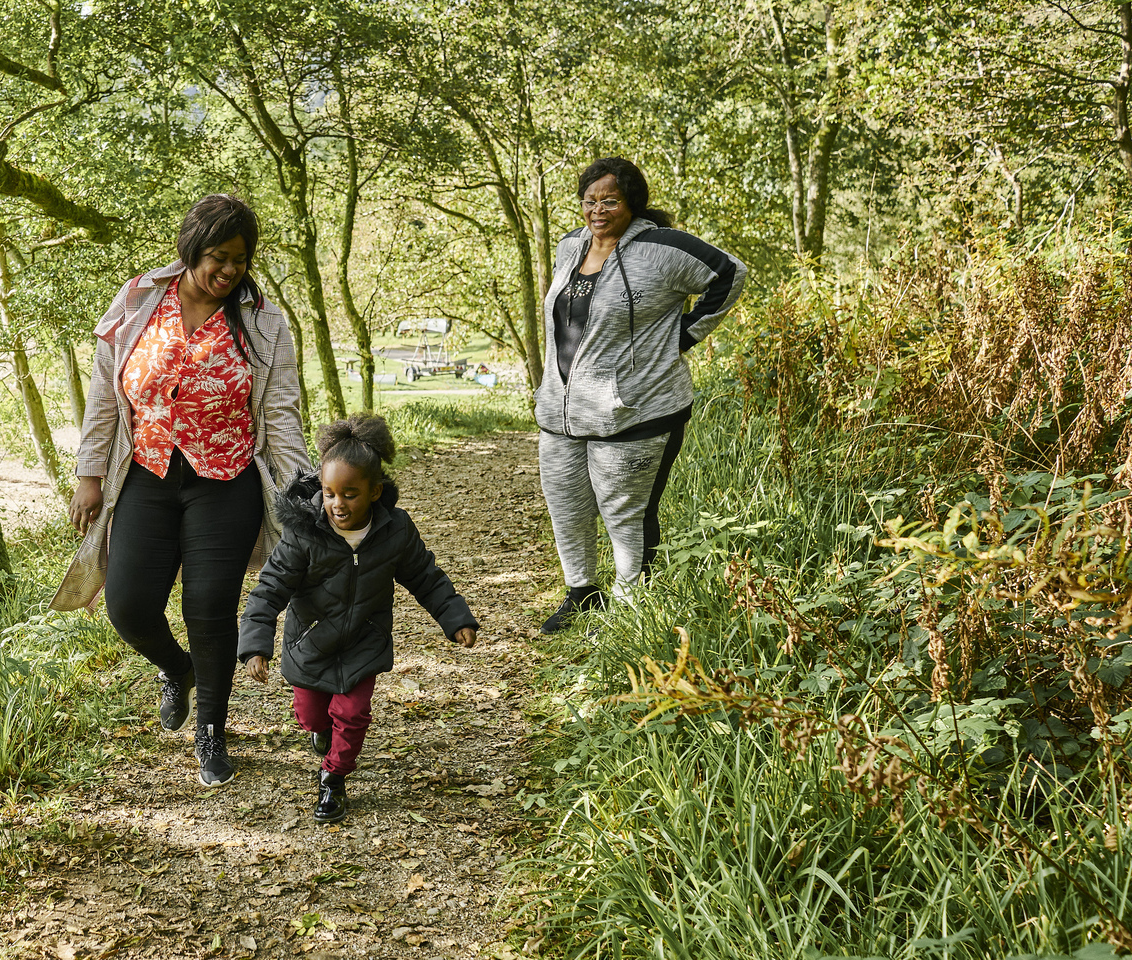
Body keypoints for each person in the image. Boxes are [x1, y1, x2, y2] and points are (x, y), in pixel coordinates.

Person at [51, 194, 309, 787]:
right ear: (189, 249)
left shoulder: (265, 319)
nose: (228, 271)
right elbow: (105, 396)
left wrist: (301, 491)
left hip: (226, 481)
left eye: (240, 260)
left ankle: (212, 732)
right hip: (148, 472)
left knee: (209, 609)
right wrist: (88, 475)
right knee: (128, 604)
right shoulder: (138, 300)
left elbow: (281, 412)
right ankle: (179, 668)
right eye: (217, 257)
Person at [533, 157, 746, 634]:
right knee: (566, 504)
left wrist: (685, 336)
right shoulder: (571, 246)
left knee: (624, 513)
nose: (597, 209)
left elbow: (730, 274)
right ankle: (581, 594)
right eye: (590, 200)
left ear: (633, 202)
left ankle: (633, 610)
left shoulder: (662, 248)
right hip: (561, 412)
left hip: (637, 409)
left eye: (609, 200)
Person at [237, 415, 478, 824]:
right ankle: (321, 734)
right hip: (309, 643)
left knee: (352, 715)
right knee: (311, 715)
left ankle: (333, 778)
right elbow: (270, 587)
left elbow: (425, 576)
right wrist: (255, 644)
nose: (337, 504)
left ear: (374, 492)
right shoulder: (304, 534)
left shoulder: (395, 531)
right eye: (330, 493)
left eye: (350, 494)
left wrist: (455, 618)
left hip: (364, 642)